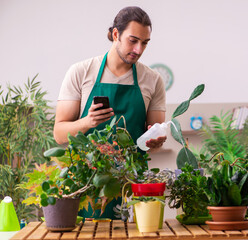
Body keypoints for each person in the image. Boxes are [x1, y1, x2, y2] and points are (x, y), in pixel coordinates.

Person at [53, 6, 166, 219]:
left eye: (145, 43)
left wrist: (156, 142)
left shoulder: (152, 80)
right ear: (116, 34)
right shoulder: (81, 72)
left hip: (131, 188)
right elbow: (59, 134)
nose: (139, 49)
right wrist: (87, 122)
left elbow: (153, 141)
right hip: (86, 183)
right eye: (133, 41)